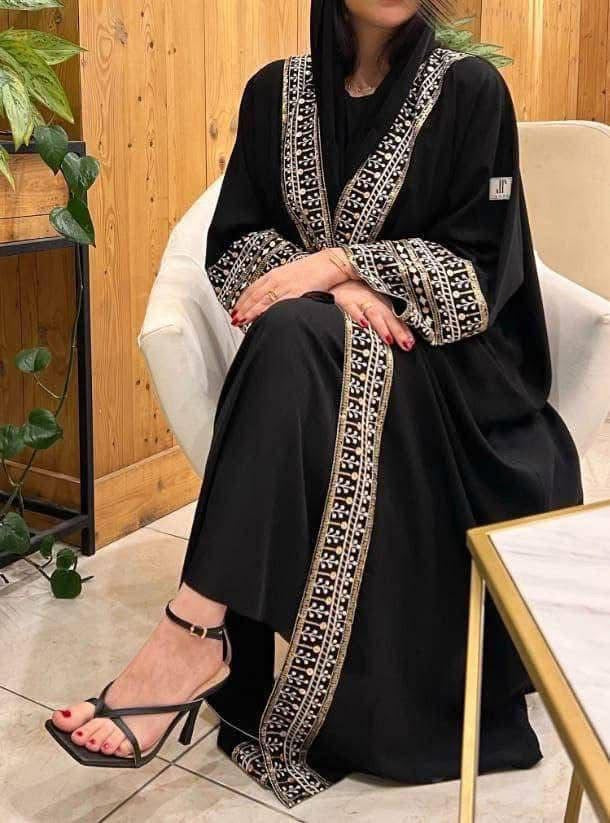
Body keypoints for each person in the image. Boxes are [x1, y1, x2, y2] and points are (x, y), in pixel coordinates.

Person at [47, 0, 583, 809]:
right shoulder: (275, 94)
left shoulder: (470, 90)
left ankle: (192, 634)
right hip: (312, 372)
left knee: (295, 328)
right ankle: (195, 635)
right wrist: (330, 296)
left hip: (453, 392)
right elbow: (236, 243)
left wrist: (336, 266)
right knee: (294, 330)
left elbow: (481, 270)